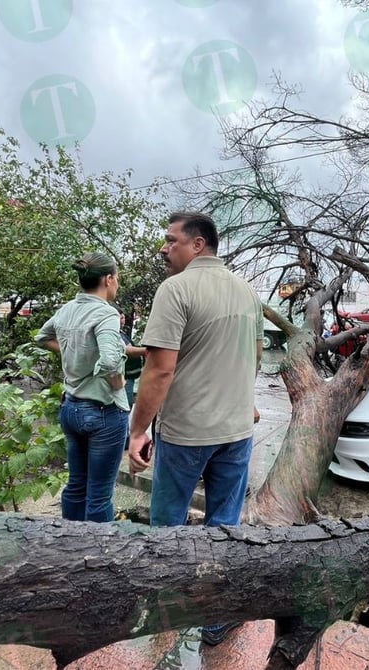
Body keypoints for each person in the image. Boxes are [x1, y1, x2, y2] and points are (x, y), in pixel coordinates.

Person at [127, 212, 263, 646]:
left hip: (187, 433)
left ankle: (163, 609)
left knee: (167, 522)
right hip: (237, 430)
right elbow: (254, 357)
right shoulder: (248, 292)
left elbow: (159, 371)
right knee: (225, 523)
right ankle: (215, 617)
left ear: (198, 244)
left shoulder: (176, 289)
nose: (164, 249)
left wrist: (138, 429)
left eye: (171, 241)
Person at [35, 252, 129, 523]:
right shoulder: (105, 313)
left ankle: (70, 544)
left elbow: (43, 337)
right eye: (117, 279)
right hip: (102, 411)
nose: (117, 284)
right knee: (99, 495)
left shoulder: (67, 309)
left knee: (76, 485)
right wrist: (118, 383)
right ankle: (98, 557)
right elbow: (111, 362)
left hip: (71, 408)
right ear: (108, 279)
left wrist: (73, 353)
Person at [118, 311, 146, 410]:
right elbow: (127, 350)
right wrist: (147, 351)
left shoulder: (122, 333)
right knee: (126, 404)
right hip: (124, 375)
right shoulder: (116, 334)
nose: (123, 320)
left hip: (130, 374)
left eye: (123, 318)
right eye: (120, 318)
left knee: (128, 402)